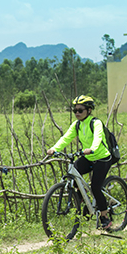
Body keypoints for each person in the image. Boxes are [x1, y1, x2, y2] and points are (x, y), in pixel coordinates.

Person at [46, 95, 113, 230]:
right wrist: (54, 148)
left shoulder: (96, 123)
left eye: (80, 110)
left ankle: (105, 217)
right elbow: (66, 138)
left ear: (88, 110)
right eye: (75, 110)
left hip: (101, 158)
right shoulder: (76, 125)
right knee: (73, 172)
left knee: (95, 187)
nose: (77, 113)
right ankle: (82, 198)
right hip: (88, 158)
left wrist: (92, 149)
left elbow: (98, 137)